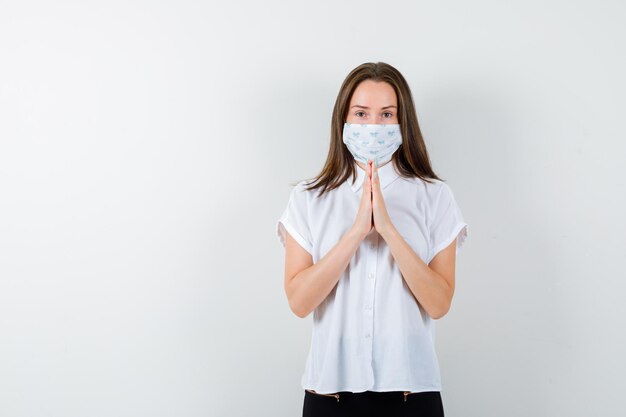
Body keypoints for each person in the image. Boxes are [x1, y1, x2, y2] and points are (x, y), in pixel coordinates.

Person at [276, 62, 469, 417]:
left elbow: (439, 303)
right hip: (329, 397)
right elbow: (300, 302)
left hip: (412, 397)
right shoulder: (308, 198)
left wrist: (390, 232)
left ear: (402, 122)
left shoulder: (434, 196)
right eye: (361, 113)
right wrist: (355, 234)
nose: (373, 126)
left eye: (386, 114)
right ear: (344, 120)